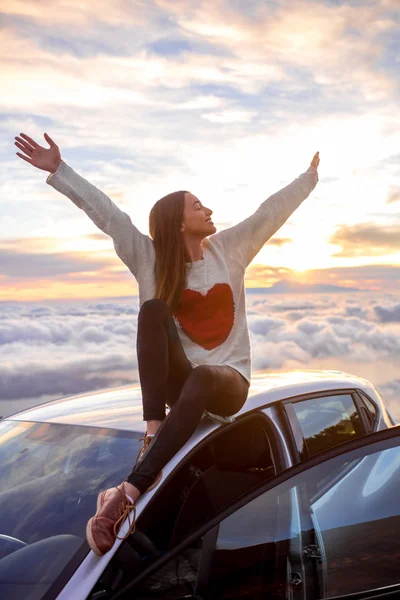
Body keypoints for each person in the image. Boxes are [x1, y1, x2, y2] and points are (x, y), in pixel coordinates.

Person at [14, 132, 320, 556]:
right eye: (197, 205)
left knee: (206, 377)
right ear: (178, 222)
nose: (208, 209)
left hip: (228, 384)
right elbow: (108, 215)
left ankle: (127, 494)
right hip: (181, 387)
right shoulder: (149, 260)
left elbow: (269, 213)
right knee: (153, 310)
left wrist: (308, 178)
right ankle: (153, 430)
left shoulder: (229, 250)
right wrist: (59, 170)